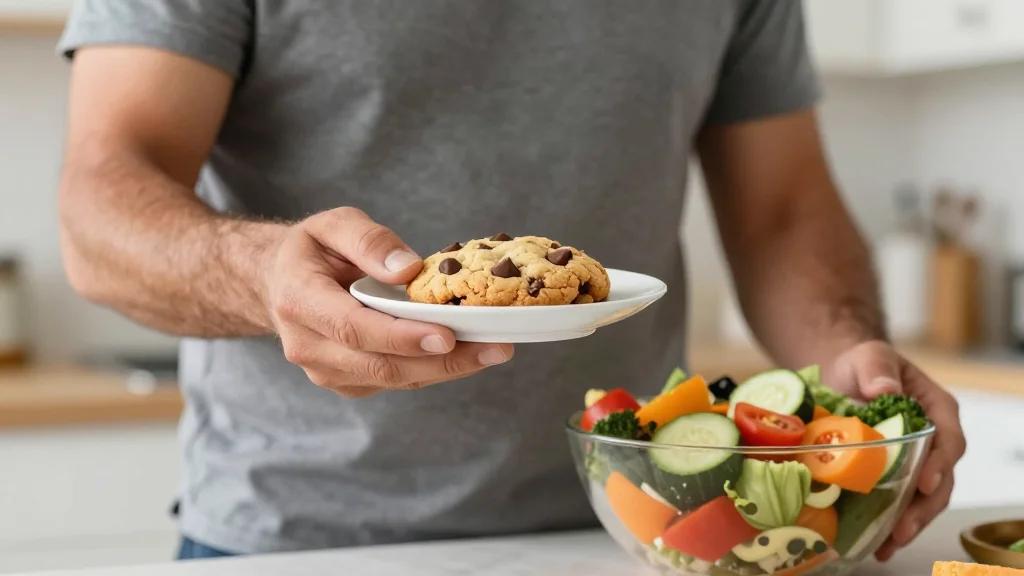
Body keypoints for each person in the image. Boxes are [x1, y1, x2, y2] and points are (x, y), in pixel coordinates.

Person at [57, 0, 965, 562]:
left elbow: (784, 213)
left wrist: (851, 364)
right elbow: (100, 207)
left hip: (635, 528)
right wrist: (264, 274)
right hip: (293, 543)